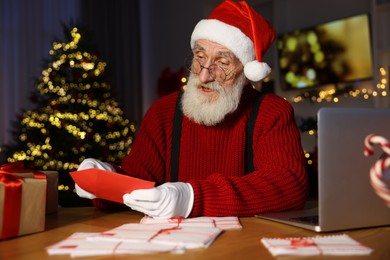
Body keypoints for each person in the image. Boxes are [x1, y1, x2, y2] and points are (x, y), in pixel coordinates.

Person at [76, 0, 308, 219]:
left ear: (247, 73)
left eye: (223, 63)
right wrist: (104, 179)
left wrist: (193, 198)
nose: (205, 75)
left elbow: (289, 186)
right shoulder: (163, 113)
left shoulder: (272, 112)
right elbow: (138, 183)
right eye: (199, 57)